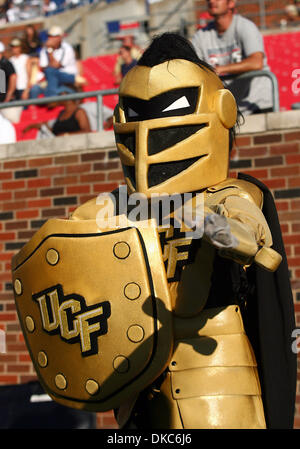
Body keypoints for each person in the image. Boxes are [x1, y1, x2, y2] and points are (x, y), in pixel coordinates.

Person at [12, 33, 296, 430]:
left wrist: (224, 231)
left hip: (217, 378)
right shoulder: (118, 206)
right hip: (140, 384)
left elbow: (247, 229)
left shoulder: (229, 193)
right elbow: (62, 247)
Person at [191, 0, 273, 115]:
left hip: (258, 103)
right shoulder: (201, 36)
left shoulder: (245, 26)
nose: (212, 1)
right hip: (228, 108)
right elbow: (193, 69)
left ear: (231, 3)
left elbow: (256, 62)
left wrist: (220, 69)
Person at [30, 25, 86, 98]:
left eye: (53, 36)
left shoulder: (67, 48)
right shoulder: (44, 49)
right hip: (52, 78)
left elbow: (56, 66)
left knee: (51, 71)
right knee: (34, 89)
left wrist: (50, 51)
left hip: (67, 76)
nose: (50, 38)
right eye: (49, 36)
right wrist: (50, 50)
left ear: (60, 37)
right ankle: (33, 107)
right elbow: (43, 67)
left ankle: (51, 97)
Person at [22, 90, 91, 136]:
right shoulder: (61, 113)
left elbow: (87, 131)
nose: (58, 97)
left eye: (61, 95)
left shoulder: (79, 112)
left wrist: (66, 135)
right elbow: (56, 132)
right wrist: (34, 126)